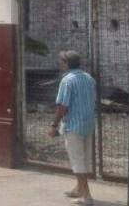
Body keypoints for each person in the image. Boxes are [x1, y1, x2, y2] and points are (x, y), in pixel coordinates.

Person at [50, 50, 97, 205]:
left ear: (67, 63)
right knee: (84, 158)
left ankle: (87, 195)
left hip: (73, 126)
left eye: (62, 61)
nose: (60, 63)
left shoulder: (67, 81)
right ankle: (78, 188)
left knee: (77, 161)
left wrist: (54, 125)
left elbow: (63, 106)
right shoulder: (89, 78)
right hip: (88, 124)